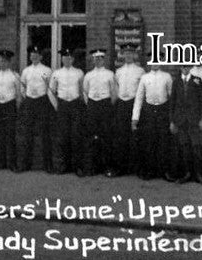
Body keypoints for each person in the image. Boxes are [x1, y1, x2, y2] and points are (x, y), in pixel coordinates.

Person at [132, 60, 173, 180]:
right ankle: (150, 170)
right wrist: (135, 118)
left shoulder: (167, 76)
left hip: (163, 111)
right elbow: (139, 98)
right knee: (149, 141)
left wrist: (172, 117)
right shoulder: (144, 77)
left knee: (163, 141)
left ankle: (164, 171)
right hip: (149, 111)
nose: (155, 64)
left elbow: (171, 96)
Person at [17, 46, 54, 173]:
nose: (34, 56)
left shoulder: (47, 70)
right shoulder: (26, 71)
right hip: (29, 102)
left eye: (36, 54)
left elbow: (50, 87)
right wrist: (27, 97)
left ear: (41, 57)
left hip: (42, 101)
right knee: (27, 133)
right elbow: (22, 87)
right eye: (32, 54)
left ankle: (47, 165)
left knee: (45, 133)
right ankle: (25, 164)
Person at [170, 65, 202, 184]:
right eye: (183, 67)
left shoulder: (197, 80)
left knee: (196, 147)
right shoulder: (176, 81)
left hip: (194, 120)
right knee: (184, 148)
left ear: (190, 67)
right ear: (180, 68)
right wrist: (172, 121)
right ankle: (187, 174)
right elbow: (173, 102)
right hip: (181, 120)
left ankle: (198, 174)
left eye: (187, 67)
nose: (185, 69)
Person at [49, 47, 85, 175]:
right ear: (62, 59)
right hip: (63, 106)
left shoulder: (79, 73)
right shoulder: (56, 73)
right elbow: (51, 91)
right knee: (63, 137)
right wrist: (57, 106)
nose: (67, 60)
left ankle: (77, 167)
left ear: (73, 59)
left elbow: (83, 91)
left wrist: (82, 105)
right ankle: (63, 166)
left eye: (69, 58)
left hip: (75, 105)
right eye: (65, 57)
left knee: (76, 136)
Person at [81, 49, 116, 177]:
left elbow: (114, 93)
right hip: (92, 106)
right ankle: (91, 167)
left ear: (104, 59)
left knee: (106, 137)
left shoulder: (110, 74)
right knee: (91, 137)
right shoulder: (88, 75)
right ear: (93, 60)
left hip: (105, 105)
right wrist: (91, 104)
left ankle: (107, 167)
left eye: (100, 58)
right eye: (96, 58)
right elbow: (85, 92)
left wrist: (106, 105)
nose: (98, 60)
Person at [113, 44, 144, 177]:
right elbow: (116, 88)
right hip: (121, 104)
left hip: (134, 104)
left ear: (134, 55)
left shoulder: (140, 71)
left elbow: (141, 92)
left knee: (135, 136)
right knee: (121, 136)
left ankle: (135, 168)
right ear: (122, 55)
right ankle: (121, 167)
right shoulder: (118, 71)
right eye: (126, 53)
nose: (128, 56)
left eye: (131, 53)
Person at [0, 49, 22, 171]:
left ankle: (12, 163)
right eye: (1, 61)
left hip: (10, 105)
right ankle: (0, 162)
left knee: (10, 135)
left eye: (5, 61)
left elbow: (19, 94)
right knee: (0, 135)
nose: (2, 63)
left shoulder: (15, 76)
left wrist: (16, 106)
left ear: (9, 62)